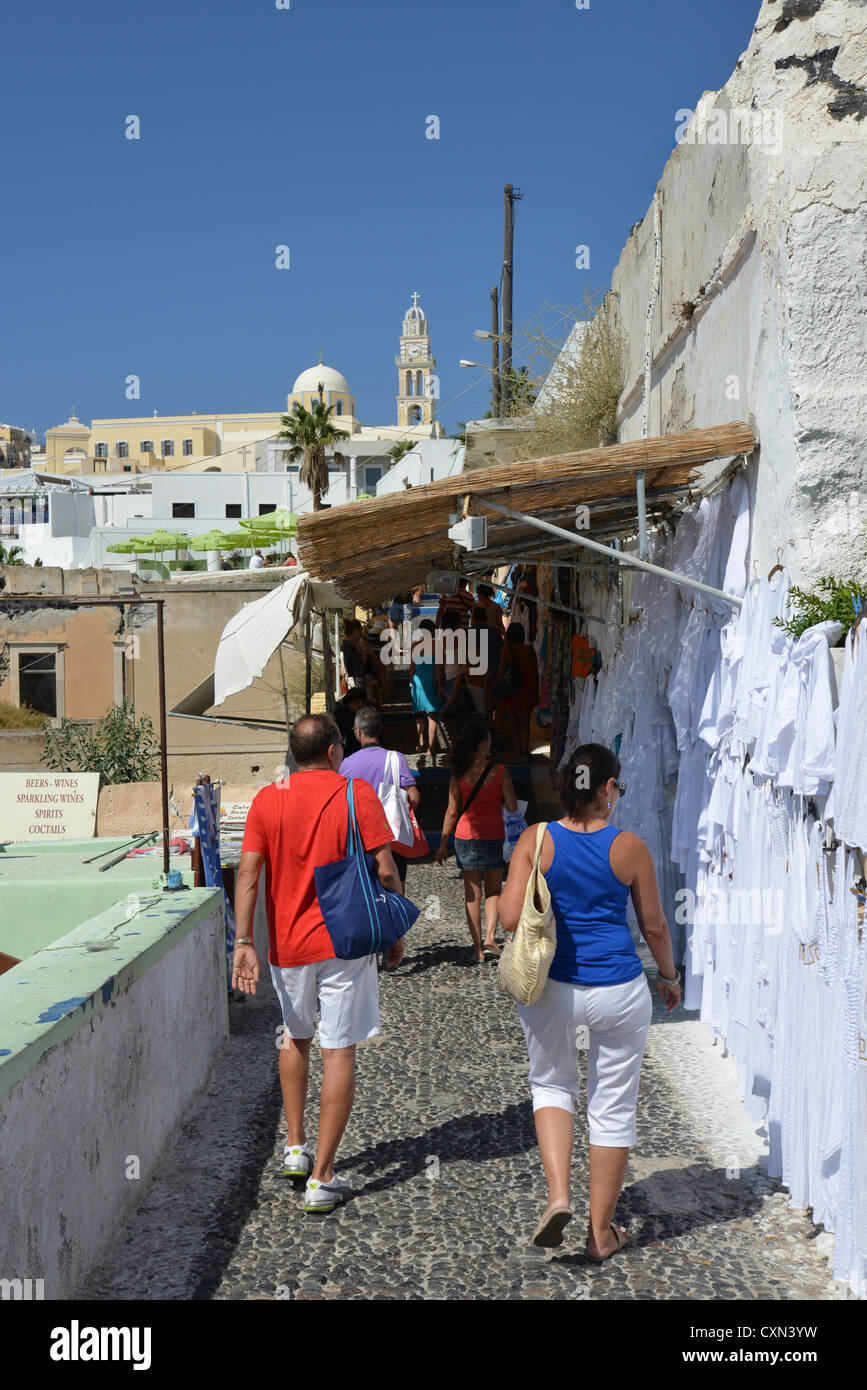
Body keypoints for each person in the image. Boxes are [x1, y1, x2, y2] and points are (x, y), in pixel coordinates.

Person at [497, 743, 681, 1257]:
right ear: (607, 789)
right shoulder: (629, 847)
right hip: (619, 992)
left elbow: (509, 918)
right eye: (618, 787)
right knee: (613, 1105)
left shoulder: (536, 839)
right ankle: (601, 1234)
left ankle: (559, 1195)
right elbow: (654, 927)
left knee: (552, 1085)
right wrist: (670, 978)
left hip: (552, 991)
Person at [231, 714, 405, 1213]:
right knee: (339, 1050)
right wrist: (393, 933)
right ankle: (323, 1178)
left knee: (295, 1035)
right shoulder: (355, 794)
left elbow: (248, 872)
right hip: (343, 942)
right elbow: (386, 869)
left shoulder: (268, 799)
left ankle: (294, 1146)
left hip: (288, 944)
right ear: (333, 752)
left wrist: (243, 941)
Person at [435, 718, 518, 963]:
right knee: (493, 890)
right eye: (489, 739)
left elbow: (451, 812)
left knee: (472, 895)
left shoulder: (459, 772)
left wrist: (442, 844)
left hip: (465, 836)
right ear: (483, 744)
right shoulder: (500, 771)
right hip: (494, 834)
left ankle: (478, 949)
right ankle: (491, 938)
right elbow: (512, 807)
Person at [340, 704, 421, 892]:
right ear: (380, 728)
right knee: (396, 888)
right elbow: (414, 797)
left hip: (361, 837)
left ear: (358, 731)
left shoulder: (347, 764)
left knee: (367, 888)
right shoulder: (396, 758)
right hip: (393, 835)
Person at [496, 622, 539, 762]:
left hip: (512, 690)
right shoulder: (529, 650)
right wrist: (536, 692)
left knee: (514, 722)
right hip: (527, 688)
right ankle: (525, 751)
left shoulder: (506, 650)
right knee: (525, 722)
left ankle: (517, 752)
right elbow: (535, 672)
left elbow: (501, 671)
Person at [410, 617, 443, 758]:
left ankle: (421, 741)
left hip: (417, 682)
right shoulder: (437, 646)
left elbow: (412, 668)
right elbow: (438, 669)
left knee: (419, 714)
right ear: (433, 631)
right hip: (431, 682)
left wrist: (411, 682)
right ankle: (430, 747)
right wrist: (441, 685)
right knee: (432, 715)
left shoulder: (415, 646)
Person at [332, 687, 368, 756]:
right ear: (348, 703)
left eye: (363, 703)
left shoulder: (368, 715)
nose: (360, 705)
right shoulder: (340, 717)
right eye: (357, 703)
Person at [340, 619, 366, 691]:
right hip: (353, 685)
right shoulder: (347, 648)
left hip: (356, 683)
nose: (361, 635)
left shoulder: (351, 646)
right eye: (360, 632)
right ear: (355, 631)